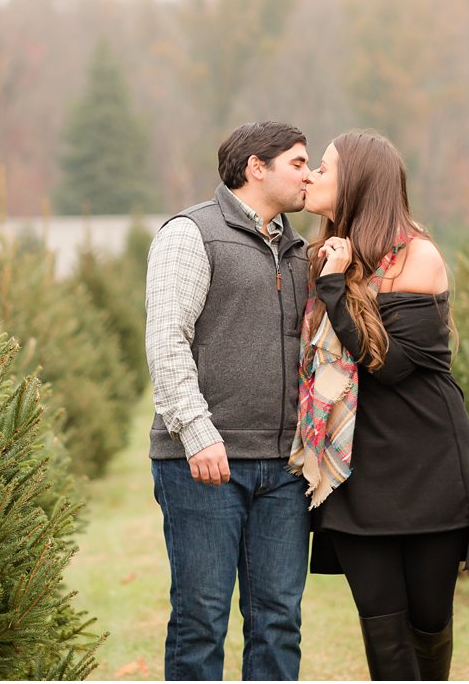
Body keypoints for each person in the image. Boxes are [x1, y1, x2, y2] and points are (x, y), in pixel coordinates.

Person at [293, 129, 469, 681]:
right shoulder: (330, 257)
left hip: (426, 467)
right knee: (382, 628)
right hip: (355, 471)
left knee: (429, 622)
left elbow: (388, 364)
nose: (310, 177)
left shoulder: (417, 257)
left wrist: (333, 292)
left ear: (357, 182)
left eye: (323, 169)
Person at [145, 120, 316, 681]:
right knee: (201, 619)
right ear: (255, 168)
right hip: (204, 465)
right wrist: (198, 433)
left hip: (285, 469)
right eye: (297, 162)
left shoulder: (300, 251)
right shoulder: (190, 234)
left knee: (278, 621)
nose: (308, 174)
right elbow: (167, 338)